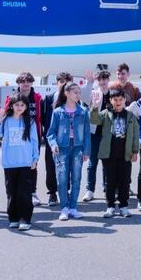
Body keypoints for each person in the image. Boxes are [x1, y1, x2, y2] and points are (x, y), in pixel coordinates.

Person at [0, 95, 39, 230]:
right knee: (11, 192)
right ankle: (13, 218)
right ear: (12, 106)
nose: (19, 108)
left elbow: (34, 141)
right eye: (17, 105)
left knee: (24, 193)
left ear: (26, 107)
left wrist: (35, 159)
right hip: (10, 163)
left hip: (25, 162)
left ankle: (25, 219)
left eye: (22, 105)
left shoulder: (30, 122)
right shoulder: (5, 121)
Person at [90, 88, 140, 218]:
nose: (118, 102)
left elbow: (135, 135)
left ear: (125, 100)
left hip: (125, 154)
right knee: (110, 182)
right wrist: (94, 107)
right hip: (109, 155)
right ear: (110, 101)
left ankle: (124, 206)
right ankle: (110, 206)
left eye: (120, 99)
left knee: (124, 181)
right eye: (115, 100)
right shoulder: (105, 114)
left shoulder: (130, 116)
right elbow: (94, 120)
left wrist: (135, 151)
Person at [46, 82, 91, 221]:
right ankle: (64, 208)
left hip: (78, 148)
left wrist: (87, 151)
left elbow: (87, 133)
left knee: (76, 178)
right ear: (66, 93)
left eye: (79, 92)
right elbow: (51, 132)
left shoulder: (83, 112)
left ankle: (73, 207)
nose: (78, 95)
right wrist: (53, 144)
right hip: (61, 149)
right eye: (75, 92)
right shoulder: (57, 112)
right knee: (62, 179)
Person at [41, 71, 75, 207]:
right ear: (57, 83)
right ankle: (52, 193)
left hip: (67, 139)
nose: (64, 84)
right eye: (61, 82)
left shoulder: (72, 99)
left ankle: (65, 191)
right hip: (52, 139)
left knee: (66, 167)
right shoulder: (49, 98)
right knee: (50, 167)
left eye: (67, 82)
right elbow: (44, 118)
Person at [14, 72, 43, 206]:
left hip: (34, 137)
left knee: (33, 165)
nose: (26, 84)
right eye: (23, 81)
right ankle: (18, 193)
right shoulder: (12, 98)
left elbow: (43, 117)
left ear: (31, 83)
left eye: (28, 81)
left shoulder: (38, 98)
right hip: (17, 138)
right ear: (18, 83)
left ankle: (32, 193)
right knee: (17, 165)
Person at [84, 70, 111, 201]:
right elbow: (83, 98)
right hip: (94, 133)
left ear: (108, 79)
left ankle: (107, 189)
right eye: (99, 79)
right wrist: (89, 82)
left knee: (107, 163)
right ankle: (90, 190)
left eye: (104, 79)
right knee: (92, 163)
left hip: (109, 134)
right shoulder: (93, 92)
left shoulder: (113, 93)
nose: (102, 82)